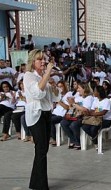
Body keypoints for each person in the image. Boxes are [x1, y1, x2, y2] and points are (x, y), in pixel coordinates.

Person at [23, 49, 59, 190]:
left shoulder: (43, 76)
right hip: (36, 114)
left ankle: (36, 183)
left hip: (46, 113)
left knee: (43, 150)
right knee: (41, 149)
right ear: (33, 62)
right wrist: (47, 75)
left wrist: (54, 87)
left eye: (44, 59)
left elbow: (54, 97)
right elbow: (38, 93)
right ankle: (40, 185)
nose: (43, 62)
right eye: (40, 59)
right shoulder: (28, 76)